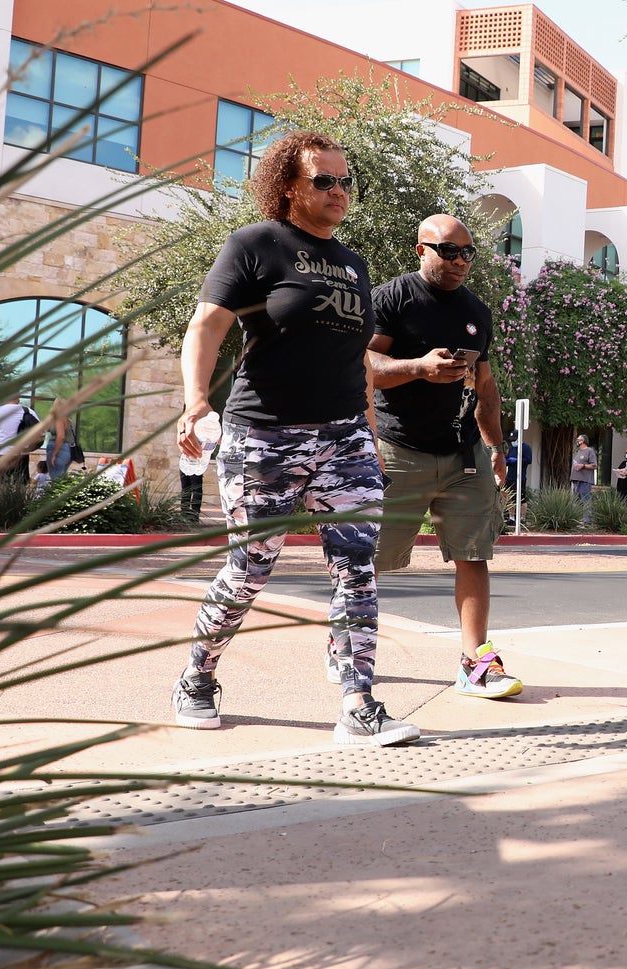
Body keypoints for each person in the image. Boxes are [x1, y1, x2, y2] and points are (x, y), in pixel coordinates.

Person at [171, 130, 417, 746]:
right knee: (252, 565)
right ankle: (198, 674)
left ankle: (359, 702)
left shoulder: (354, 264)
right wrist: (197, 400)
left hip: (345, 437)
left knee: (357, 566)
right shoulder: (256, 245)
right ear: (289, 187)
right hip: (265, 435)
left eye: (345, 182)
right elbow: (207, 324)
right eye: (323, 181)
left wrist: (369, 431)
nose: (339, 192)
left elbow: (353, 356)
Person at [363, 213, 524, 699]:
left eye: (467, 253)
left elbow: (487, 386)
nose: (459, 261)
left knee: (474, 554)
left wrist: (496, 447)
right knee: (369, 559)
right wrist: (418, 367)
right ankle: (346, 643)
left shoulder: (476, 311)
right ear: (421, 250)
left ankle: (476, 662)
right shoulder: (393, 298)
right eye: (448, 251)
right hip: (398, 448)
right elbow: (364, 364)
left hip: (463, 455)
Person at [0, 397, 30, 485]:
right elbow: (40, 431)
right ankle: (20, 499)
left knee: (1, 483)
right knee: (21, 483)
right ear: (18, 397)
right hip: (21, 454)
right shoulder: (28, 411)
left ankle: (1, 499)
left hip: (2, 453)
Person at [46, 406, 78, 478]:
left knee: (55, 478)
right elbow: (47, 429)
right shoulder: (70, 420)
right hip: (68, 449)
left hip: (58, 449)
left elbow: (61, 437)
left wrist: (54, 454)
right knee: (61, 477)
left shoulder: (59, 419)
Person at [571, 435, 596, 500]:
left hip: (585, 482)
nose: (576, 441)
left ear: (582, 441)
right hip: (576, 481)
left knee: (586, 503)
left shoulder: (589, 451)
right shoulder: (578, 452)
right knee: (576, 505)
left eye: (578, 439)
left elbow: (594, 465)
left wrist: (583, 466)